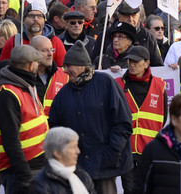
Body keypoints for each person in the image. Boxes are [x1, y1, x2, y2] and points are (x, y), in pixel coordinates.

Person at [48, 40, 133, 194]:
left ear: (82, 66)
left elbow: (123, 123)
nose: (65, 70)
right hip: (77, 168)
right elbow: (55, 127)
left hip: (104, 167)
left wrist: (111, 153)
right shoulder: (63, 95)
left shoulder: (106, 83)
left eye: (68, 66)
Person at [0, 44, 50, 193]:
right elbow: (10, 140)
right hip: (22, 173)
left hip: (36, 168)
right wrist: (25, 177)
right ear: (31, 66)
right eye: (37, 63)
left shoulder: (26, 86)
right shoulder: (7, 94)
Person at [115, 46, 168, 194]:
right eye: (129, 61)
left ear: (146, 63)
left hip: (150, 150)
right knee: (130, 190)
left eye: (136, 61)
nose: (131, 65)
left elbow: (163, 118)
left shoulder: (160, 85)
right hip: (126, 150)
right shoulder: (118, 84)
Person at [29, 127, 96, 194]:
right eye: (73, 147)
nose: (78, 151)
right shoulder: (40, 185)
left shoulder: (82, 175)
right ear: (57, 153)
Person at [0, 4, 67, 66]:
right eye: (31, 16)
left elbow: (63, 70)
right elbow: (2, 68)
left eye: (39, 16)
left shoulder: (55, 42)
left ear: (44, 20)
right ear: (23, 20)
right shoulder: (13, 41)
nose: (36, 19)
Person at [31, 35, 69, 115]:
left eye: (52, 50)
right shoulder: (24, 77)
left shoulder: (64, 75)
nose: (50, 54)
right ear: (33, 52)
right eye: (45, 50)